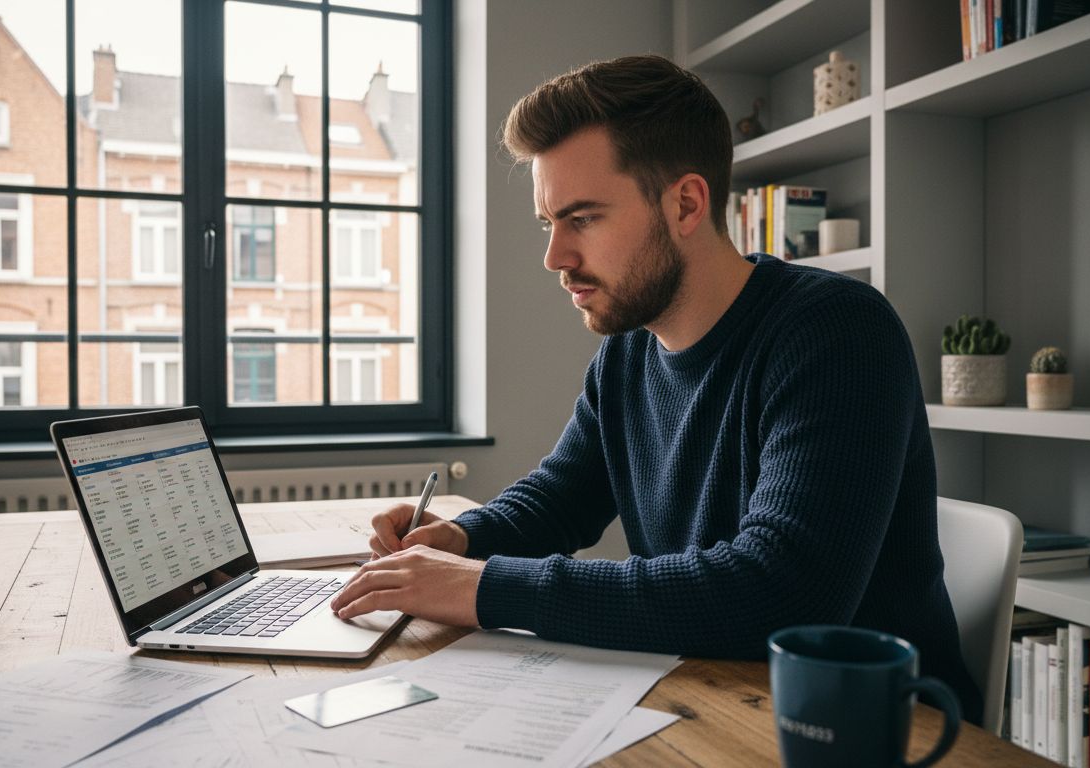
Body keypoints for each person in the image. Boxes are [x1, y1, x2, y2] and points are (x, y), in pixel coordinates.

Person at [329, 54, 983, 723]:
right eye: (548, 223)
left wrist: (485, 587)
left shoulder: (836, 333)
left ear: (686, 204)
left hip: (874, 730)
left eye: (582, 219)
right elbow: (561, 499)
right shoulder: (628, 352)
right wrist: (461, 541)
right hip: (712, 694)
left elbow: (781, 592)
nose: (555, 258)